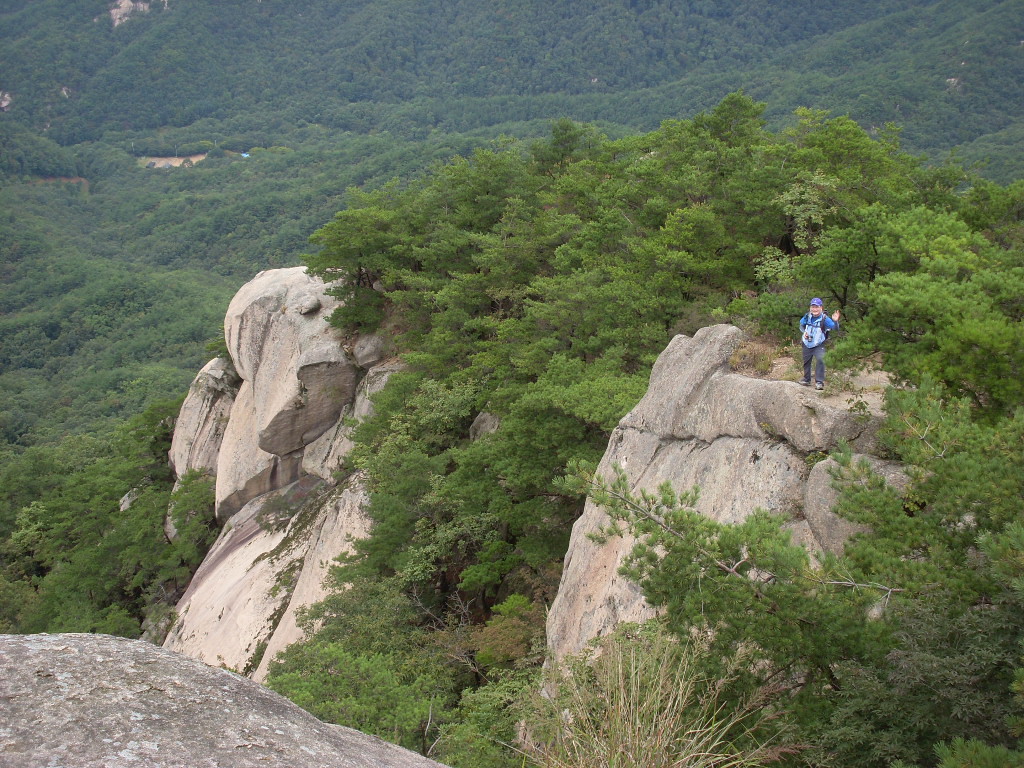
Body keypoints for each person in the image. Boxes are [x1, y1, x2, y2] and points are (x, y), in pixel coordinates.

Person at [799, 298, 840, 390]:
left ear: (821, 308)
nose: (814, 309)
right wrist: (804, 332)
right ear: (810, 308)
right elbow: (801, 325)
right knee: (806, 362)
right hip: (806, 343)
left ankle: (819, 382)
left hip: (819, 344)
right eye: (813, 307)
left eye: (817, 307)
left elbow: (835, 328)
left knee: (821, 359)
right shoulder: (807, 316)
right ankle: (806, 379)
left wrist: (835, 321)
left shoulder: (825, 319)